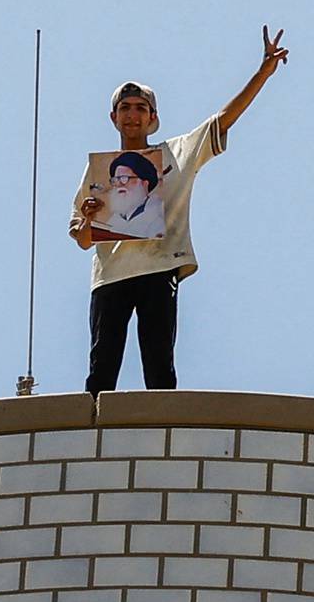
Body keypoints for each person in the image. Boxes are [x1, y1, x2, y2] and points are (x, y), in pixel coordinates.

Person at [70, 25, 288, 393]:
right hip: (110, 276)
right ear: (113, 117)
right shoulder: (99, 173)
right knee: (101, 367)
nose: (132, 115)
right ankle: (90, 433)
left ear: (153, 118)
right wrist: (89, 219)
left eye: (141, 109)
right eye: (125, 108)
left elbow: (222, 119)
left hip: (159, 266)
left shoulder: (176, 154)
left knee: (159, 365)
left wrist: (262, 73)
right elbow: (80, 237)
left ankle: (161, 432)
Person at [101, 150, 165, 239]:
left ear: (144, 183)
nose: (119, 184)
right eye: (115, 180)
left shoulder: (159, 215)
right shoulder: (113, 222)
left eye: (124, 178)